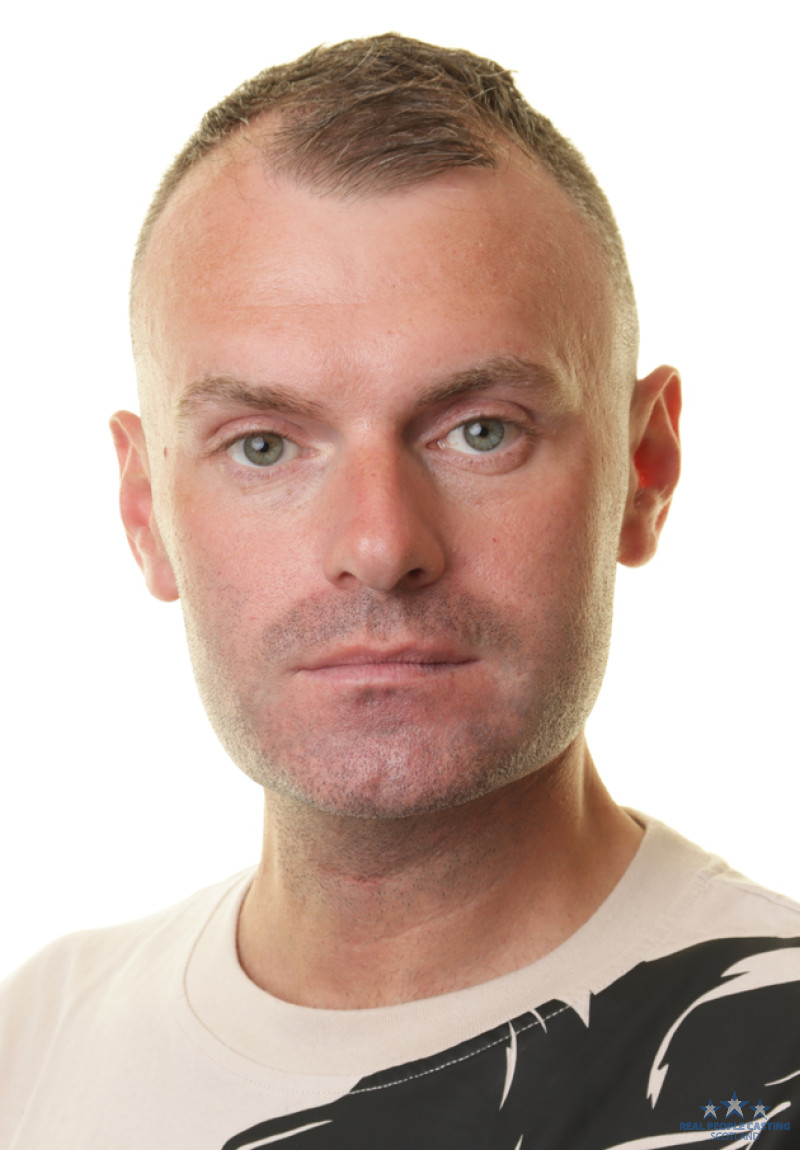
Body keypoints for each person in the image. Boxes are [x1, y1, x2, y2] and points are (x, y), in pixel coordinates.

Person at [2, 32, 798, 1150]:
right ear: (146, 511)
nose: (380, 545)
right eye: (264, 446)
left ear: (643, 471)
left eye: (481, 431)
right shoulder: (31, 1049)